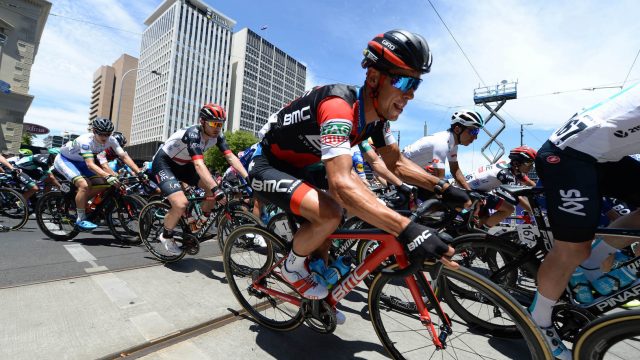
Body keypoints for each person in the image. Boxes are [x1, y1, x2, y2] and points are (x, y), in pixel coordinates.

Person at [249, 29, 470, 306]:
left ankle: (318, 298)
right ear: (374, 78)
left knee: (345, 216)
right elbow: (340, 181)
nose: (410, 95)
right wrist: (407, 229)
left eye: (416, 85)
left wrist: (444, 188)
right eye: (402, 81)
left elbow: (396, 162)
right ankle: (291, 267)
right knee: (331, 212)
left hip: (305, 166)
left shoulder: (377, 120)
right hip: (269, 164)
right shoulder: (338, 106)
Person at [528, 83, 640, 359]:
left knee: (585, 252)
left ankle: (590, 264)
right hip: (567, 155)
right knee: (573, 248)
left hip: (603, 155)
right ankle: (538, 320)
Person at [151, 103, 249, 255]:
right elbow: (198, 164)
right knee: (181, 203)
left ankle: (198, 223)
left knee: (212, 189)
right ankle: (166, 235)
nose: (218, 128)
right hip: (165, 163)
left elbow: (230, 157)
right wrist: (216, 190)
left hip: (185, 165)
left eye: (221, 124)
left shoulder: (218, 136)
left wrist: (248, 177)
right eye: (214, 123)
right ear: (203, 122)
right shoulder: (193, 134)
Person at [54, 118, 145, 231]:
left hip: (81, 162)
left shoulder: (111, 140)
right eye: (101, 134)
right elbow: (90, 165)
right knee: (84, 185)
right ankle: (80, 219)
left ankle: (82, 201)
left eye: (107, 134)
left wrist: (139, 173)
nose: (104, 137)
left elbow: (124, 157)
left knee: (106, 184)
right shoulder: (85, 141)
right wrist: (108, 175)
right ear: (94, 131)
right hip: (65, 160)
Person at [402, 109, 484, 200]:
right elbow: (439, 179)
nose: (475, 137)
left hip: (413, 172)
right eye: (473, 131)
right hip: (400, 171)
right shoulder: (441, 142)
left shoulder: (453, 145)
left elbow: (455, 170)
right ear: (457, 129)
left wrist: (470, 192)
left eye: (477, 132)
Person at [463, 145, 537, 227]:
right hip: (470, 191)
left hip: (475, 191)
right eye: (529, 163)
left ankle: (478, 233)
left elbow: (531, 184)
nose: (531, 166)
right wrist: (534, 212)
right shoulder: (505, 174)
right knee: (509, 209)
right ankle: (483, 231)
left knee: (483, 220)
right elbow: (518, 198)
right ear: (516, 163)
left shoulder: (511, 168)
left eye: (532, 163)